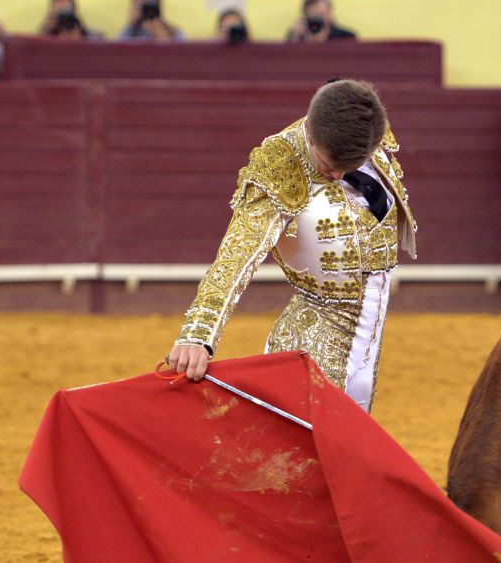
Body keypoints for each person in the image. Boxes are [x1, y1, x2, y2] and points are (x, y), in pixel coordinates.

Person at [167, 79, 417, 413]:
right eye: (328, 164)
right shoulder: (281, 164)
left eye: (349, 166)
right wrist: (198, 335)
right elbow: (237, 253)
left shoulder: (365, 130)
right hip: (312, 340)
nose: (337, 173)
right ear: (310, 133)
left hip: (368, 339)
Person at [118, 0, 184, 41]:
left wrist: (161, 34)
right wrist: (130, 25)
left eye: (150, 3)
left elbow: (180, 51)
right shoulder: (131, 32)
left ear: (159, 3)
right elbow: (117, 50)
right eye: (142, 4)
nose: (147, 7)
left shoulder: (173, 31)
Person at [285, 0, 356, 43]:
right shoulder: (297, 35)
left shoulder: (347, 36)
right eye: (314, 14)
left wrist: (327, 40)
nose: (318, 18)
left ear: (330, 13)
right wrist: (296, 37)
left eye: (321, 14)